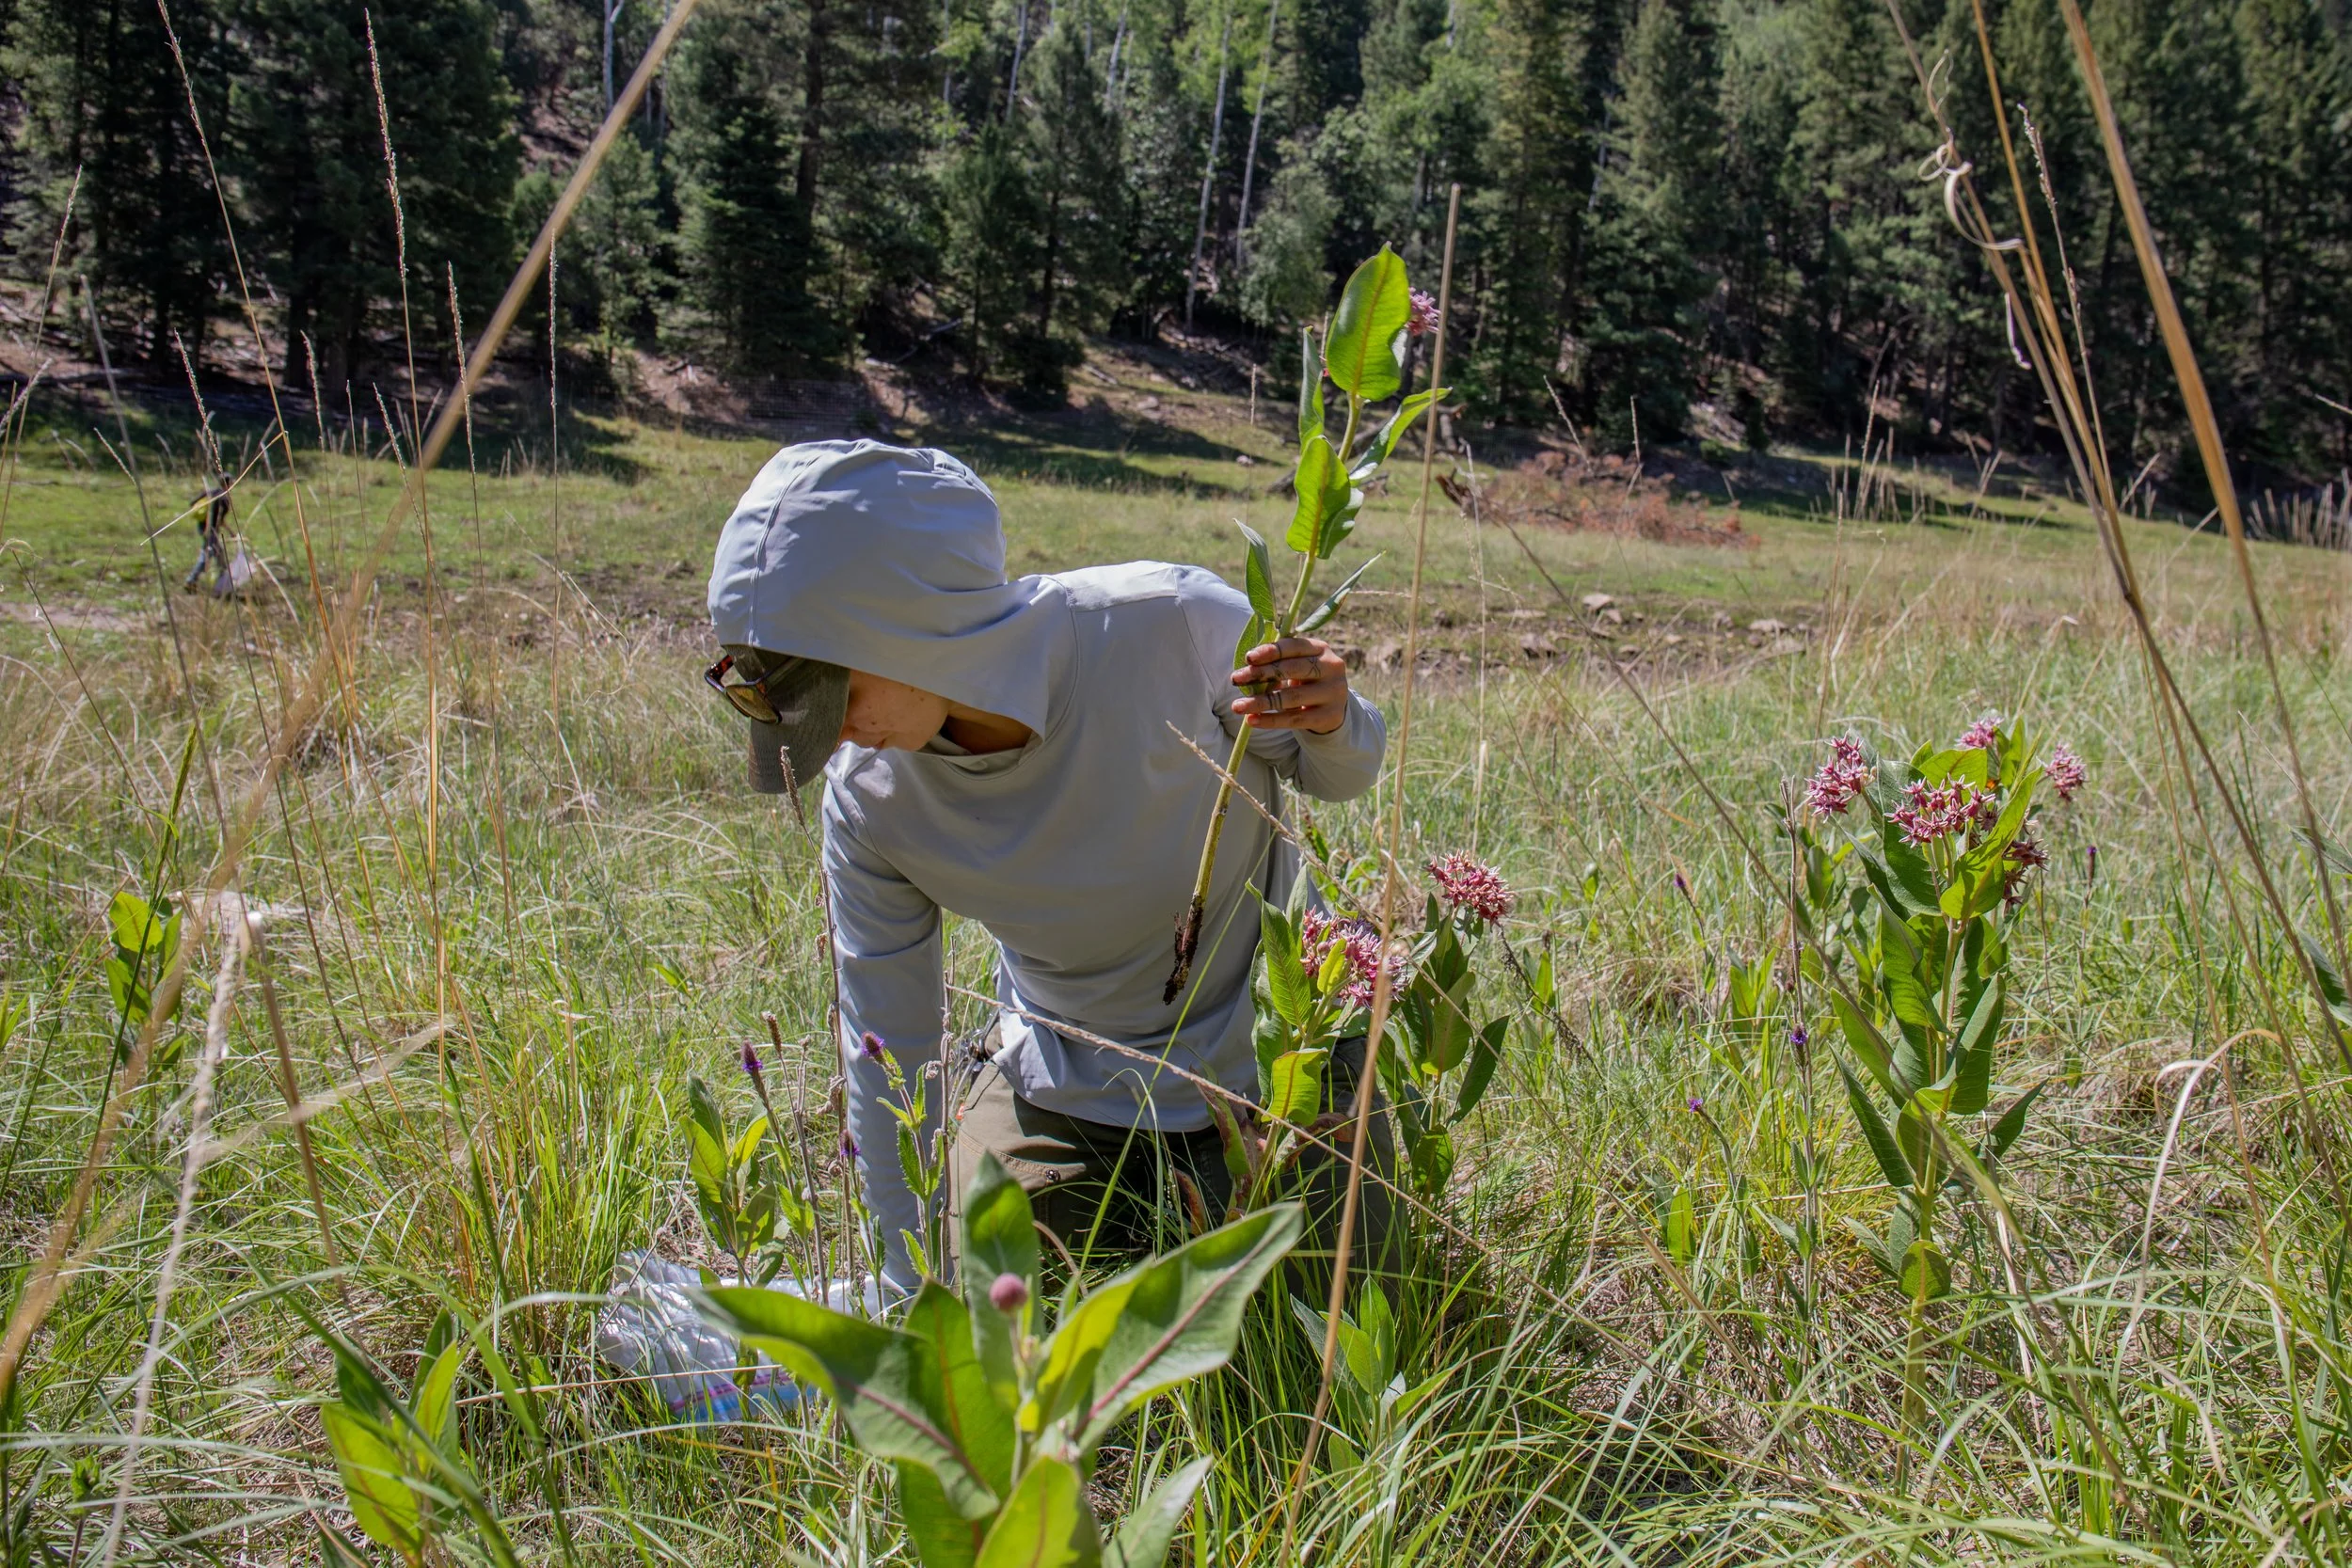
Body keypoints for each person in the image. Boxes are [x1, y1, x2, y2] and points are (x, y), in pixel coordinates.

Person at [705, 439, 1394, 1297]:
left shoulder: (1169, 625)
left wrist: (1337, 719)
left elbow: (1338, 775)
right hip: (1065, 1085)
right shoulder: (871, 800)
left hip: (1274, 1059)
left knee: (1313, 1327)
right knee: (982, 1309)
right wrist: (899, 1284)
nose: (834, 736)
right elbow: (889, 1051)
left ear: (918, 625)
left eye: (833, 696)